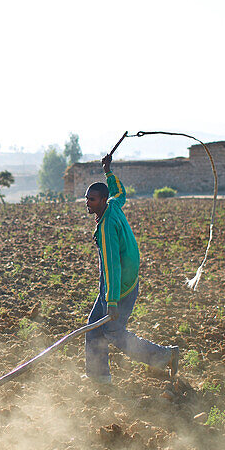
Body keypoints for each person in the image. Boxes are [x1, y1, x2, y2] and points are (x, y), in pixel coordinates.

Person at [83, 153, 179, 385]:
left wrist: (112, 302)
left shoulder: (106, 227)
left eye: (93, 199)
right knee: (94, 328)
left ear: (103, 200)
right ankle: (98, 377)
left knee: (113, 332)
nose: (88, 203)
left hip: (119, 286)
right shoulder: (113, 206)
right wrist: (108, 171)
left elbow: (112, 266)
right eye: (87, 199)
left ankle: (165, 356)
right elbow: (120, 193)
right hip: (123, 280)